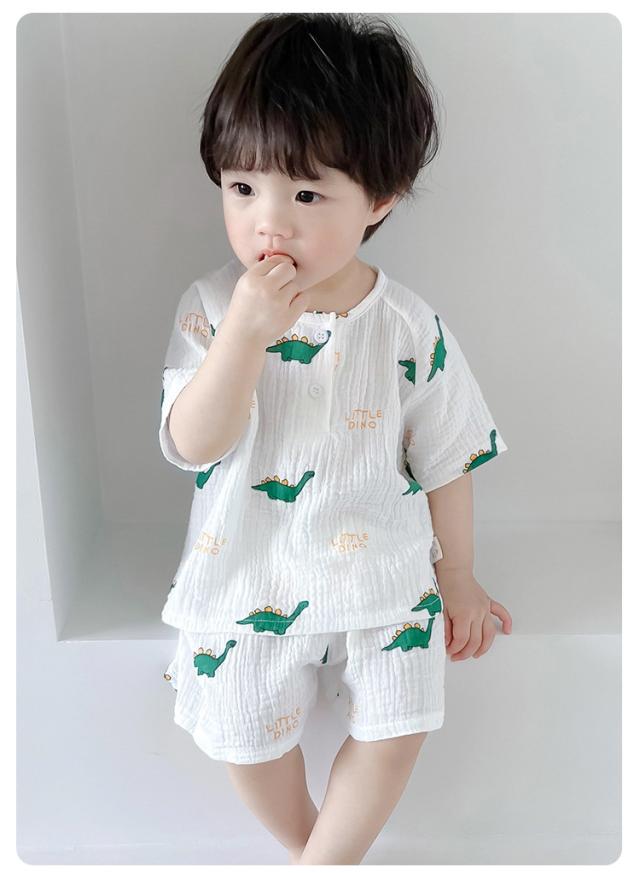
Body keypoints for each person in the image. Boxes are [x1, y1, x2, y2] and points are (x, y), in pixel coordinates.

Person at [159, 12, 512, 865]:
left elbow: (448, 456)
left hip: (380, 569)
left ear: (379, 201)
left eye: (307, 196)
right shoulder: (211, 308)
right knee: (242, 731)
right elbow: (194, 442)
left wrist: (458, 575)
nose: (268, 224)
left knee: (401, 722)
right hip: (247, 569)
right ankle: (312, 851)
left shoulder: (406, 325)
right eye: (242, 188)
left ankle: (329, 860)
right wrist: (245, 338)